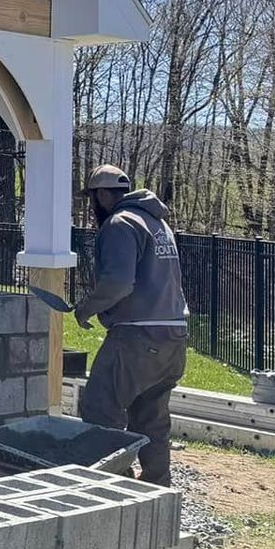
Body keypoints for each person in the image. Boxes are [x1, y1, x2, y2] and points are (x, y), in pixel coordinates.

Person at [73, 164, 188, 486]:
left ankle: (115, 484)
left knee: (100, 407)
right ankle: (157, 485)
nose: (93, 206)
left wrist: (85, 309)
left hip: (138, 336)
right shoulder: (157, 222)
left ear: (104, 194)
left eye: (93, 198)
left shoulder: (120, 223)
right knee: (150, 419)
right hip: (173, 336)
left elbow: (119, 282)